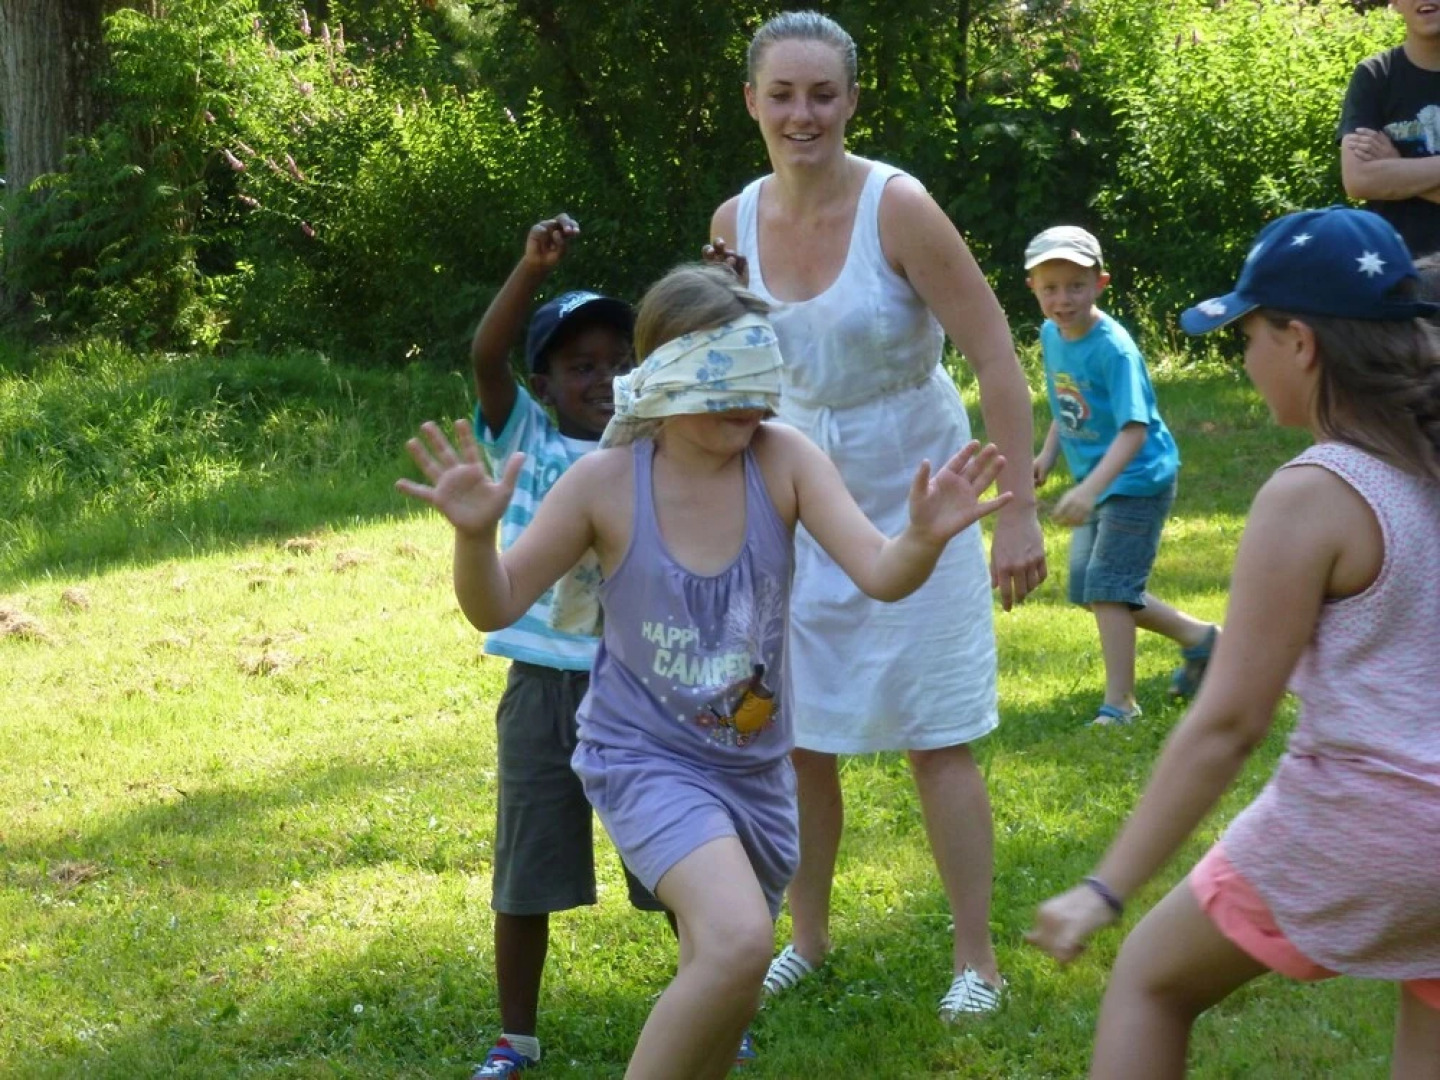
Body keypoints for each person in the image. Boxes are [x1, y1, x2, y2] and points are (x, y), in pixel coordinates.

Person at [397, 263, 1014, 1079]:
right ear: (660, 377)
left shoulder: (783, 460)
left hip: (756, 771)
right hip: (644, 760)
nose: (750, 404)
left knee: (725, 990)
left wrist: (924, 539)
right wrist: (475, 539)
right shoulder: (605, 484)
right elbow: (495, 604)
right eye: (724, 380)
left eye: (762, 379)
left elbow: (879, 572)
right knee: (736, 942)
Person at [1026, 206, 1440, 1078]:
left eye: (1246, 335)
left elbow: (1230, 722)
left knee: (1150, 983)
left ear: (1301, 343)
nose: (1243, 359)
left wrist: (1105, 889)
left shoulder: (1316, 494)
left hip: (1368, 827)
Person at [705, 9, 1046, 1017]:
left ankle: (976, 960)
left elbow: (993, 356)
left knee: (934, 730)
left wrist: (1017, 510)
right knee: (793, 734)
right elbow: (727, 369)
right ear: (754, 103)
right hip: (791, 491)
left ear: (851, 101)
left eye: (822, 94)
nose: (802, 113)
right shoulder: (733, 223)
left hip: (920, 488)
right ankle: (805, 939)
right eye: (783, 94)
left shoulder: (899, 208)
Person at [464, 213, 664, 1079]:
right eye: (582, 366)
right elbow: (485, 357)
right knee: (527, 870)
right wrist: (528, 266)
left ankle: (716, 999)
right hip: (541, 690)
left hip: (640, 689)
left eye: (621, 362)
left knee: (675, 857)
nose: (606, 379)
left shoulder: (653, 445)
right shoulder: (525, 439)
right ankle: (517, 1036)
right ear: (544, 383)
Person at [1025, 225, 1219, 725]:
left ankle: (1121, 705)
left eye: (1076, 286)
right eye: (1051, 288)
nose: (1063, 299)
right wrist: (1048, 456)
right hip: (1099, 481)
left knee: (1109, 589)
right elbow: (1067, 403)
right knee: (1095, 590)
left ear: (1100, 283)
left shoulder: (1114, 348)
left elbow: (1134, 428)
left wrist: (1087, 490)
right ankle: (1202, 640)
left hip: (1137, 480)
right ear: (1033, 288)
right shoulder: (1052, 334)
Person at [1339, 0, 1440, 257]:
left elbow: (1377, 178)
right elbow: (1359, 180)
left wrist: (1397, 166)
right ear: (1395, 2)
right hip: (1394, 270)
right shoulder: (1375, 75)